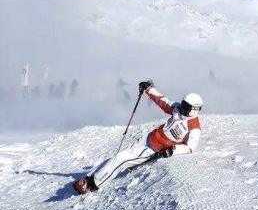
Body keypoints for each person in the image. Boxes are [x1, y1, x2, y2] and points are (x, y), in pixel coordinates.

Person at [72, 80, 203, 195]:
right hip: (148, 139)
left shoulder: (193, 127)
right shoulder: (177, 109)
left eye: (186, 106)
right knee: (118, 156)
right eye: (182, 103)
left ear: (194, 109)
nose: (182, 107)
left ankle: (91, 184)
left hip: (154, 150)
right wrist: (148, 89)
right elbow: (162, 100)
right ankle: (88, 178)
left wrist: (173, 150)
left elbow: (190, 148)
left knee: (122, 159)